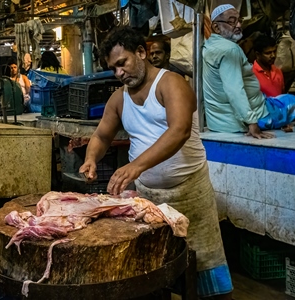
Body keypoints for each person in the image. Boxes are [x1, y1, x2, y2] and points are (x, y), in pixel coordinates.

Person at [79, 26, 233, 300]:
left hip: (190, 194)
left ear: (141, 52)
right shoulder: (118, 100)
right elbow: (102, 135)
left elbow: (179, 130)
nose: (119, 73)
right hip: (150, 200)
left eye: (122, 63)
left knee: (204, 269)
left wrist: (135, 166)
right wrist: (91, 158)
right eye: (113, 68)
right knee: (155, 269)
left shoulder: (171, 83)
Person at [203, 4, 295, 138]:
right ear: (216, 27)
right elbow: (234, 90)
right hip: (245, 118)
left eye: (239, 20)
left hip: (219, 120)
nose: (239, 25)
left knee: (285, 98)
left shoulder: (210, 45)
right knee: (292, 103)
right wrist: (252, 122)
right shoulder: (230, 50)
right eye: (232, 21)